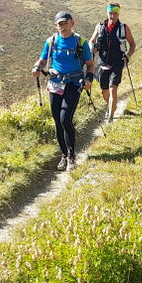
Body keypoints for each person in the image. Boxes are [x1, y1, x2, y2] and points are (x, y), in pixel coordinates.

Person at [32, 11, 94, 171]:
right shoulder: (51, 41)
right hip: (55, 84)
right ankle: (64, 156)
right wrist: (37, 67)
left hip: (74, 84)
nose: (63, 26)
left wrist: (88, 80)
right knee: (58, 122)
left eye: (65, 23)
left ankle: (72, 156)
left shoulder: (81, 42)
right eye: (60, 24)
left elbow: (90, 64)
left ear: (72, 23)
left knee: (66, 119)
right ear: (56, 25)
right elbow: (43, 59)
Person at [88, 2, 136, 123]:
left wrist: (128, 56)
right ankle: (112, 106)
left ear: (118, 14)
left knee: (112, 88)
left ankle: (110, 117)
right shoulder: (100, 27)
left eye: (115, 13)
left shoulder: (124, 28)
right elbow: (92, 40)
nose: (112, 16)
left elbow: (132, 44)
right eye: (110, 13)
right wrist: (92, 48)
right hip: (102, 63)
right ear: (107, 13)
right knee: (104, 91)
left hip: (117, 63)